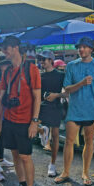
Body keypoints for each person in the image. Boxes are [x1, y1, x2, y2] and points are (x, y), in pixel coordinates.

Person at [0, 36, 41, 186]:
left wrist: (34, 122)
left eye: (6, 48)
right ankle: (22, 185)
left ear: (15, 48)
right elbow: (1, 98)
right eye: (3, 48)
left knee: (25, 156)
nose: (4, 51)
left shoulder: (31, 69)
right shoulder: (7, 72)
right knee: (14, 154)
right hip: (10, 119)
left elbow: (37, 97)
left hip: (25, 121)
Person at [54, 37, 94, 186]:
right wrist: (82, 83)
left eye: (84, 47)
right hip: (75, 110)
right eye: (79, 47)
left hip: (92, 109)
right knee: (69, 141)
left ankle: (85, 173)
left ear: (91, 50)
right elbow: (67, 89)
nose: (81, 49)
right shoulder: (71, 66)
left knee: (89, 142)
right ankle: (66, 172)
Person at [36, 50, 66, 178]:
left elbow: (67, 93)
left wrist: (56, 95)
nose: (41, 62)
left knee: (55, 137)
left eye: (44, 59)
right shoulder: (39, 76)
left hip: (55, 107)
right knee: (33, 126)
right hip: (42, 107)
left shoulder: (61, 75)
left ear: (51, 60)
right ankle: (43, 131)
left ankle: (52, 165)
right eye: (40, 59)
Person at [0, 59, 15, 169]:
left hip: (6, 113)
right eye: (3, 69)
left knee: (2, 138)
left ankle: (1, 159)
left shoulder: (9, 79)